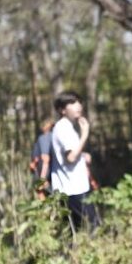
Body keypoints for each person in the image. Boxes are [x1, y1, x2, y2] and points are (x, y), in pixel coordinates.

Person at [50, 92, 100, 230]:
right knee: (94, 227)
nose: (78, 106)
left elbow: (69, 154)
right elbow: (71, 157)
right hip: (74, 189)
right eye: (72, 103)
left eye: (79, 102)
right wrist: (85, 134)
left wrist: (82, 155)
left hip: (72, 188)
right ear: (62, 110)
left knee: (75, 231)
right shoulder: (63, 127)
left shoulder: (66, 127)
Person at [29, 118, 54, 200]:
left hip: (45, 176)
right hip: (47, 174)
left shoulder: (45, 137)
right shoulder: (51, 137)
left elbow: (45, 159)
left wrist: (42, 179)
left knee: (45, 201)